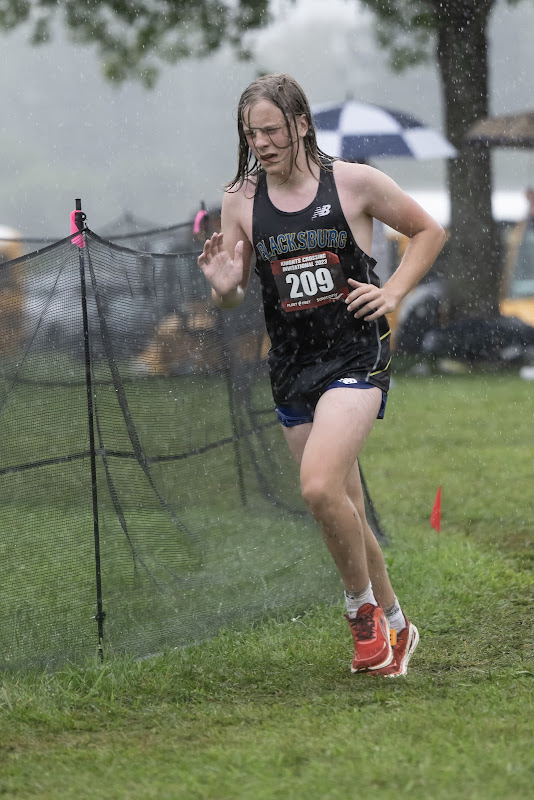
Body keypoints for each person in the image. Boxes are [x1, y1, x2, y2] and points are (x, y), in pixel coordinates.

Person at [198, 74, 445, 677]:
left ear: (302, 124)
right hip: (291, 368)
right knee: (344, 506)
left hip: (356, 357)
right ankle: (396, 623)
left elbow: (428, 231)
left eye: (272, 130)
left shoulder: (353, 183)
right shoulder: (240, 199)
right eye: (251, 133)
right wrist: (226, 293)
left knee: (316, 488)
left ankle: (360, 615)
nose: (262, 143)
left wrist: (391, 291)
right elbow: (230, 290)